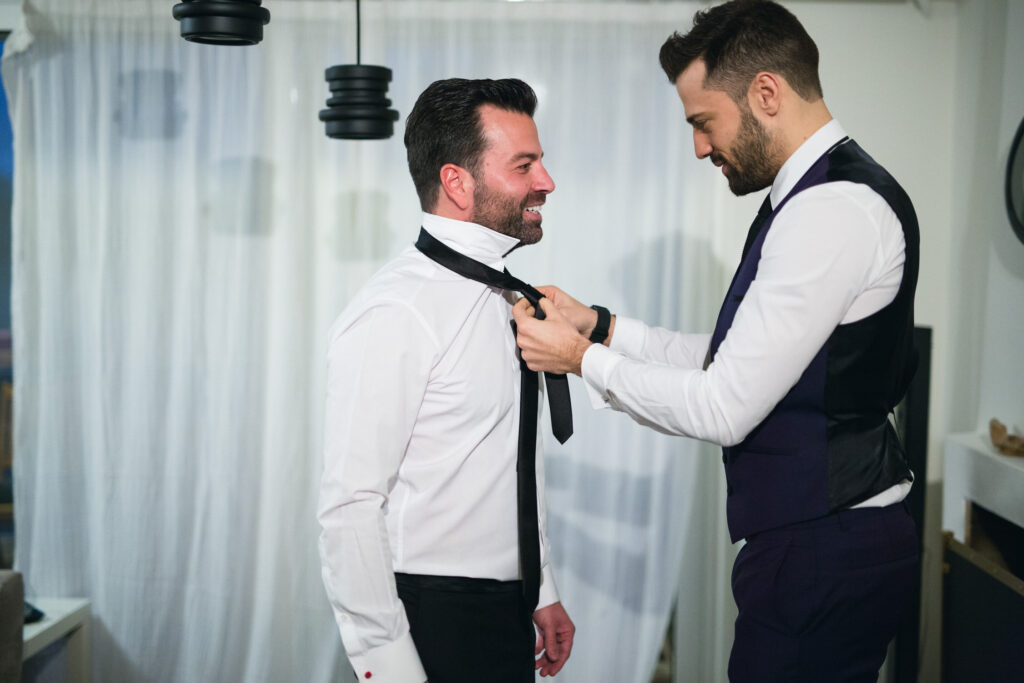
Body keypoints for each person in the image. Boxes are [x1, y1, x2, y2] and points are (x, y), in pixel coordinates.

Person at [511, 1, 920, 680]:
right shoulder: (810, 197)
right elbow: (743, 358)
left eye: (703, 122)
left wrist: (581, 360)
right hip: (824, 541)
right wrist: (602, 327)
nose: (700, 148)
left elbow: (724, 404)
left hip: (826, 549)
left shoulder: (831, 209)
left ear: (766, 93)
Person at [318, 78, 574, 683]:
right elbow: (350, 506)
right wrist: (389, 667)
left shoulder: (503, 296)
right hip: (430, 616)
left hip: (505, 609)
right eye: (524, 165)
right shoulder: (396, 311)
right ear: (458, 182)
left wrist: (540, 587)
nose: (547, 181)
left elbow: (504, 459)